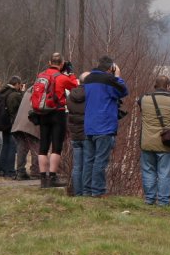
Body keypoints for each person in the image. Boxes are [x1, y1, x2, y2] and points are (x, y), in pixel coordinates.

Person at [82, 56, 128, 197]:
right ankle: (98, 191)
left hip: (89, 125)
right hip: (104, 125)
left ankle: (86, 190)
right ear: (110, 68)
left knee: (88, 160)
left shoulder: (88, 79)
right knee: (100, 160)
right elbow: (123, 91)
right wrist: (118, 76)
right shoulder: (109, 80)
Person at [138, 75, 170, 206]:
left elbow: (140, 108)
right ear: (168, 86)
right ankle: (163, 201)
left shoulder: (144, 99)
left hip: (147, 142)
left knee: (148, 171)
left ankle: (149, 199)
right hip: (166, 142)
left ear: (155, 86)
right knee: (164, 173)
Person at [35, 53, 79, 188]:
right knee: (56, 146)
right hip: (57, 113)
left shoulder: (40, 76)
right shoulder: (61, 78)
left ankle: (43, 179)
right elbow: (75, 86)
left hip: (42, 113)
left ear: (49, 62)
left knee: (43, 146)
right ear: (61, 64)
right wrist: (70, 72)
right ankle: (52, 177)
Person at [66, 74, 90, 196]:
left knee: (77, 166)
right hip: (86, 133)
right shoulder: (90, 95)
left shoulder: (70, 96)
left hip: (75, 134)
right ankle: (86, 192)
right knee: (87, 165)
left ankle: (77, 192)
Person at [10, 84, 40, 181]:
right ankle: (36, 172)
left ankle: (20, 172)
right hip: (31, 123)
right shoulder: (41, 91)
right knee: (36, 147)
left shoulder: (28, 91)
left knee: (21, 148)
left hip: (20, 123)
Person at [0, 77, 24, 178]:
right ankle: (10, 171)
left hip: (3, 123)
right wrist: (21, 92)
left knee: (5, 146)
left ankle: (2, 169)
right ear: (16, 84)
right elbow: (20, 106)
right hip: (11, 123)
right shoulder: (14, 94)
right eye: (19, 85)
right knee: (12, 146)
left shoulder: (3, 92)